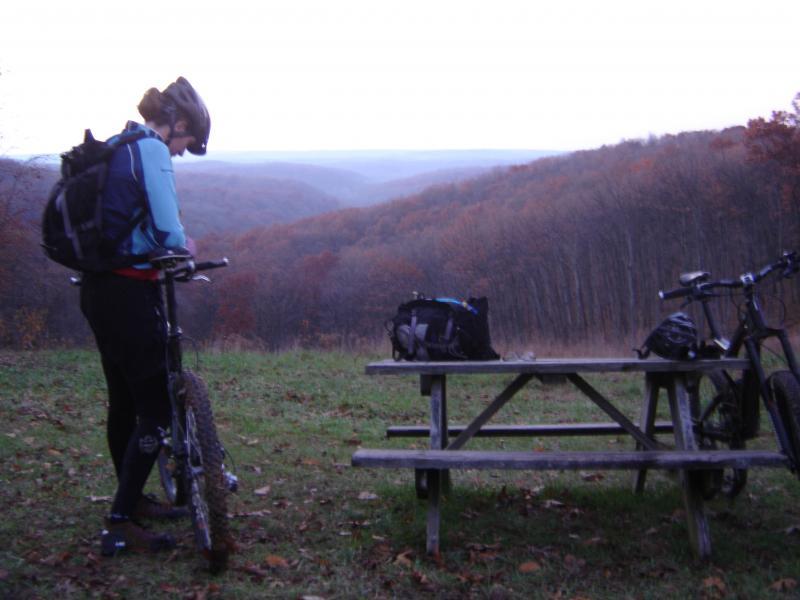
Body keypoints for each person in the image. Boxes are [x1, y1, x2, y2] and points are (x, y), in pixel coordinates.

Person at [79, 77, 211, 556]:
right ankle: (120, 522)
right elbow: (169, 230)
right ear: (176, 124)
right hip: (131, 296)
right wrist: (186, 248)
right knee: (154, 409)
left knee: (124, 403)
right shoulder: (151, 149)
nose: (179, 153)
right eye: (186, 143)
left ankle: (131, 502)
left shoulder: (118, 144)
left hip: (98, 290)